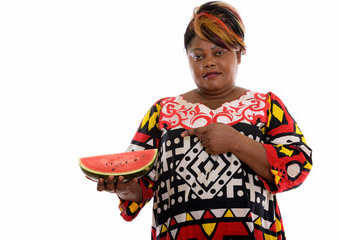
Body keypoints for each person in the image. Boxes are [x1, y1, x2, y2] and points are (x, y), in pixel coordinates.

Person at [96, 1, 312, 239]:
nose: (209, 61)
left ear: (239, 54)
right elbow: (141, 184)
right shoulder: (162, 111)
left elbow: (297, 165)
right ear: (188, 59)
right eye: (198, 56)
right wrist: (125, 189)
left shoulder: (267, 106)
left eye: (219, 52)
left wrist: (235, 142)